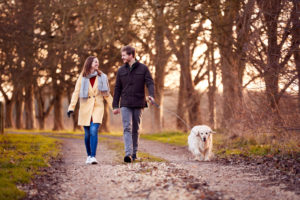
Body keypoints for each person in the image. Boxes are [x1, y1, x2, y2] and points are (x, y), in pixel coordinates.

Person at [113, 45, 155, 163]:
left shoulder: (143, 68)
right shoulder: (121, 70)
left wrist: (151, 95)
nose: (122, 57)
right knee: (127, 128)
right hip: (125, 103)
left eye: (124, 55)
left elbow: (150, 83)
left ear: (131, 55)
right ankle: (128, 154)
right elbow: (117, 88)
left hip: (139, 103)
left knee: (135, 129)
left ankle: (134, 154)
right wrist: (115, 105)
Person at [67, 56, 112, 164]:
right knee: (87, 134)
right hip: (85, 108)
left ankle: (93, 156)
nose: (97, 63)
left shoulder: (102, 76)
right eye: (95, 61)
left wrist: (114, 107)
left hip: (97, 107)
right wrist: (71, 108)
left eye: (98, 61)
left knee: (93, 130)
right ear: (89, 63)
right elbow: (76, 93)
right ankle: (88, 155)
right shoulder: (82, 77)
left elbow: (106, 94)